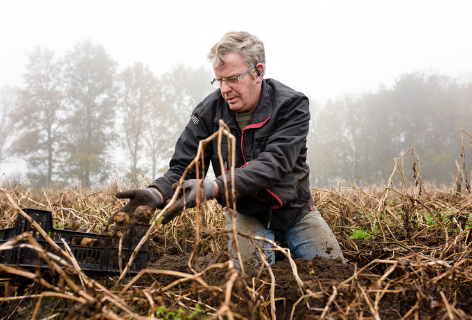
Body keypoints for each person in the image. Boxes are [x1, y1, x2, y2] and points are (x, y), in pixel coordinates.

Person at [115, 31, 344, 267]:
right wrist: (156, 194)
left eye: (233, 78)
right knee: (252, 280)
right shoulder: (207, 112)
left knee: (335, 274)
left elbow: (275, 163)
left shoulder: (291, 105)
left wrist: (215, 187)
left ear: (259, 72)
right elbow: (185, 169)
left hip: (294, 210)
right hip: (245, 210)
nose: (224, 89)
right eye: (219, 80)